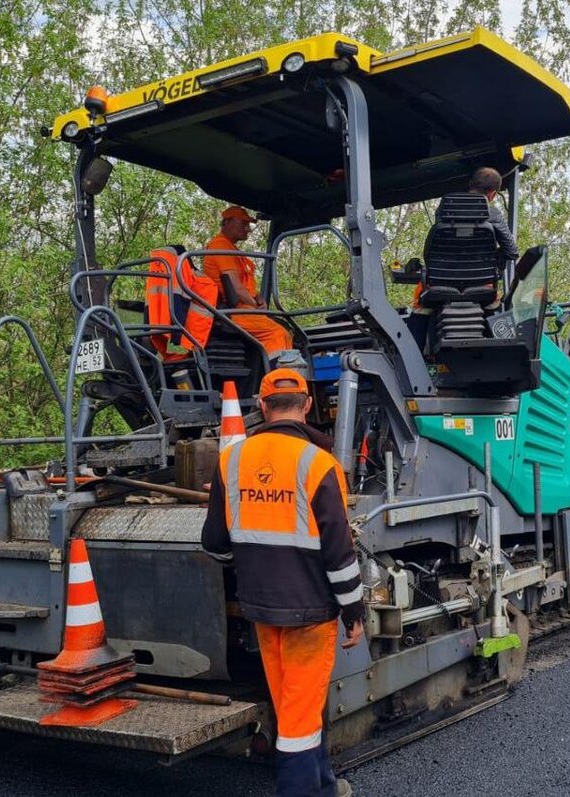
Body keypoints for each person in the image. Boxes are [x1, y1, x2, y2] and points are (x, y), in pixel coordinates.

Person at [201, 368, 365, 797]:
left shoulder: (230, 461)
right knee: (297, 721)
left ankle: (325, 786)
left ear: (261, 405)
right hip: (310, 615)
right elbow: (340, 555)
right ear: (308, 405)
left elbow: (215, 544)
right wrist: (354, 612)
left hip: (262, 610)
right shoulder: (320, 464)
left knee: (298, 707)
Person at [409, 166, 518, 321]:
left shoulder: (444, 210)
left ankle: (411, 345)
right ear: (493, 194)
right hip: (482, 286)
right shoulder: (493, 215)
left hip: (440, 283)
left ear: (470, 183)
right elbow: (512, 251)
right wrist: (491, 257)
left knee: (420, 307)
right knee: (497, 309)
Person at [203, 206, 294, 356]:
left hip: (247, 308)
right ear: (226, 222)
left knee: (287, 332)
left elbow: (246, 285)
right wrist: (257, 307)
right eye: (243, 224)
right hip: (236, 312)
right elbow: (237, 289)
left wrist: (259, 299)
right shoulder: (220, 246)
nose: (248, 229)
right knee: (276, 333)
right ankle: (279, 378)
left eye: (248, 225)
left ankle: (290, 374)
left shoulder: (234, 250)